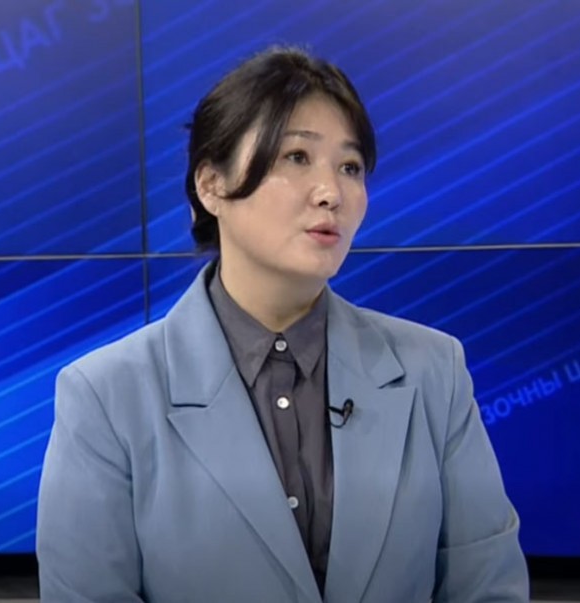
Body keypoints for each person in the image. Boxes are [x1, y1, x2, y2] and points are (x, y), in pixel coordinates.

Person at [36, 45, 529, 602]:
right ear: (211, 185)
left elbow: (489, 588)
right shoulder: (105, 397)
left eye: (350, 167)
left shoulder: (434, 372)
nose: (331, 193)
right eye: (297, 157)